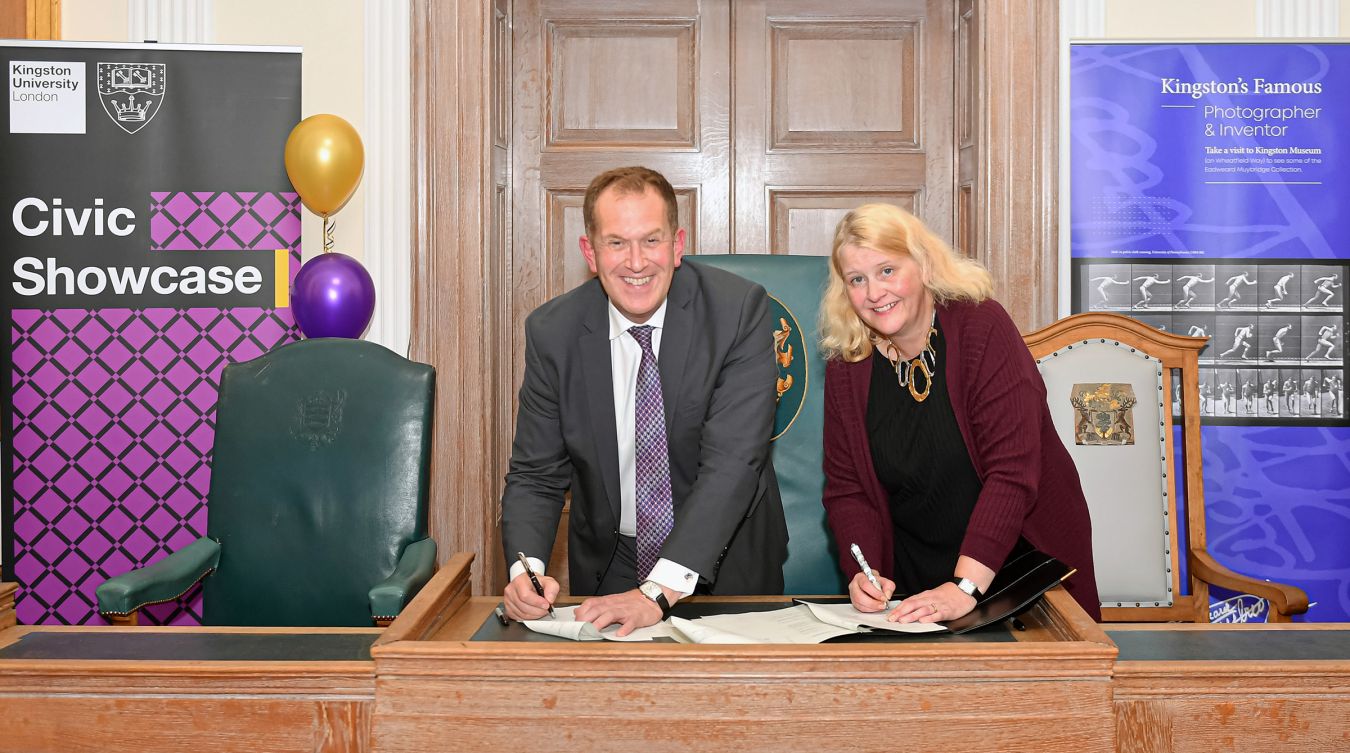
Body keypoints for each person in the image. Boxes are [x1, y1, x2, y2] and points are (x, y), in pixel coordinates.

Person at [500, 166, 788, 634]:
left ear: (677, 246)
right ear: (590, 253)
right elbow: (536, 474)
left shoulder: (738, 312)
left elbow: (733, 465)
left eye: (651, 241)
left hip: (724, 563)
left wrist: (659, 591)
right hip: (611, 562)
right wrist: (524, 571)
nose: (636, 263)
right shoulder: (554, 333)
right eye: (616, 243)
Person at [818, 203, 1100, 624]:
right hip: (916, 588)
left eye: (887, 271)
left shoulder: (981, 327)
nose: (874, 293)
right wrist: (866, 571)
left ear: (924, 264)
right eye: (857, 279)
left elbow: (1012, 474)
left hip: (1019, 573)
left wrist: (965, 586)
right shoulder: (849, 363)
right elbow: (848, 489)